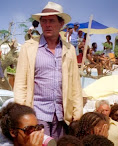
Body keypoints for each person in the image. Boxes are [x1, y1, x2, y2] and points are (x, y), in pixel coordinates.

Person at [14, 1, 84, 140]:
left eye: (51, 21)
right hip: (36, 114)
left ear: (61, 23)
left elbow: (75, 84)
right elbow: (21, 83)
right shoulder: (29, 47)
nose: (47, 25)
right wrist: (22, 114)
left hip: (62, 116)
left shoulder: (69, 50)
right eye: (44, 21)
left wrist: (77, 114)